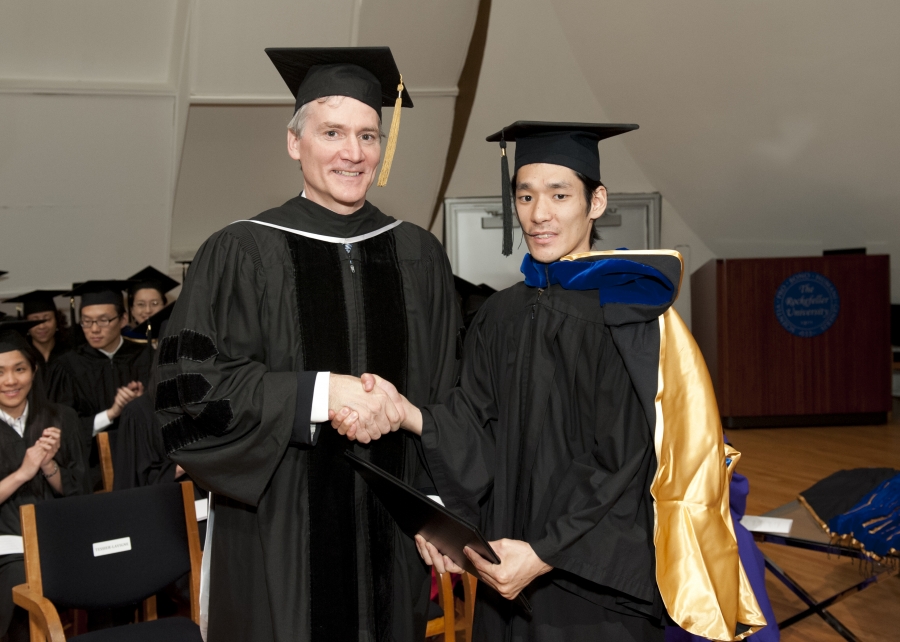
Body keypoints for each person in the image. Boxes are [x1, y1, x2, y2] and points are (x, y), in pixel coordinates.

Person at [333, 122, 766, 641]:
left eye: (559, 195)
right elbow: (475, 422)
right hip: (505, 567)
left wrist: (542, 554)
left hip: (591, 582)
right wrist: (408, 414)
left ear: (596, 202)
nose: (539, 214)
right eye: (526, 196)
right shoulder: (500, 314)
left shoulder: (627, 315)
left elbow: (624, 461)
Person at [155, 47, 461, 642]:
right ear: (294, 142)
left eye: (368, 135)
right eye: (332, 133)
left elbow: (445, 389)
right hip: (278, 526)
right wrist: (319, 394)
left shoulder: (418, 254)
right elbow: (190, 394)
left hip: (392, 527)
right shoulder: (240, 251)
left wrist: (433, 502)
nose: (353, 153)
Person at [0, 327, 87, 641]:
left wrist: (49, 465)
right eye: (0, 372)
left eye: (19, 369)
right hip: (6, 545)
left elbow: (79, 492)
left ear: (34, 371)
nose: (10, 381)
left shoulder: (61, 418)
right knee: (21, 579)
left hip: (58, 536)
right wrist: (24, 473)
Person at [48, 281, 154, 490]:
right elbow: (61, 429)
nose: (94, 329)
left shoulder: (147, 357)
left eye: (104, 320)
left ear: (123, 319)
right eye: (86, 322)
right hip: (92, 471)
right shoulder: (67, 366)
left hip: (145, 464)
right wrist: (110, 414)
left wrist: (144, 403)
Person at [1, 291, 73, 389]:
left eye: (47, 319)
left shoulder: (70, 354)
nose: (41, 326)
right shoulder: (22, 355)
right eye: (35, 320)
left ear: (57, 320)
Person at [123, 267, 179, 340]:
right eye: (141, 304)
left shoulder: (177, 338)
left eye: (154, 303)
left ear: (165, 306)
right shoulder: (123, 339)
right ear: (132, 309)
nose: (148, 310)